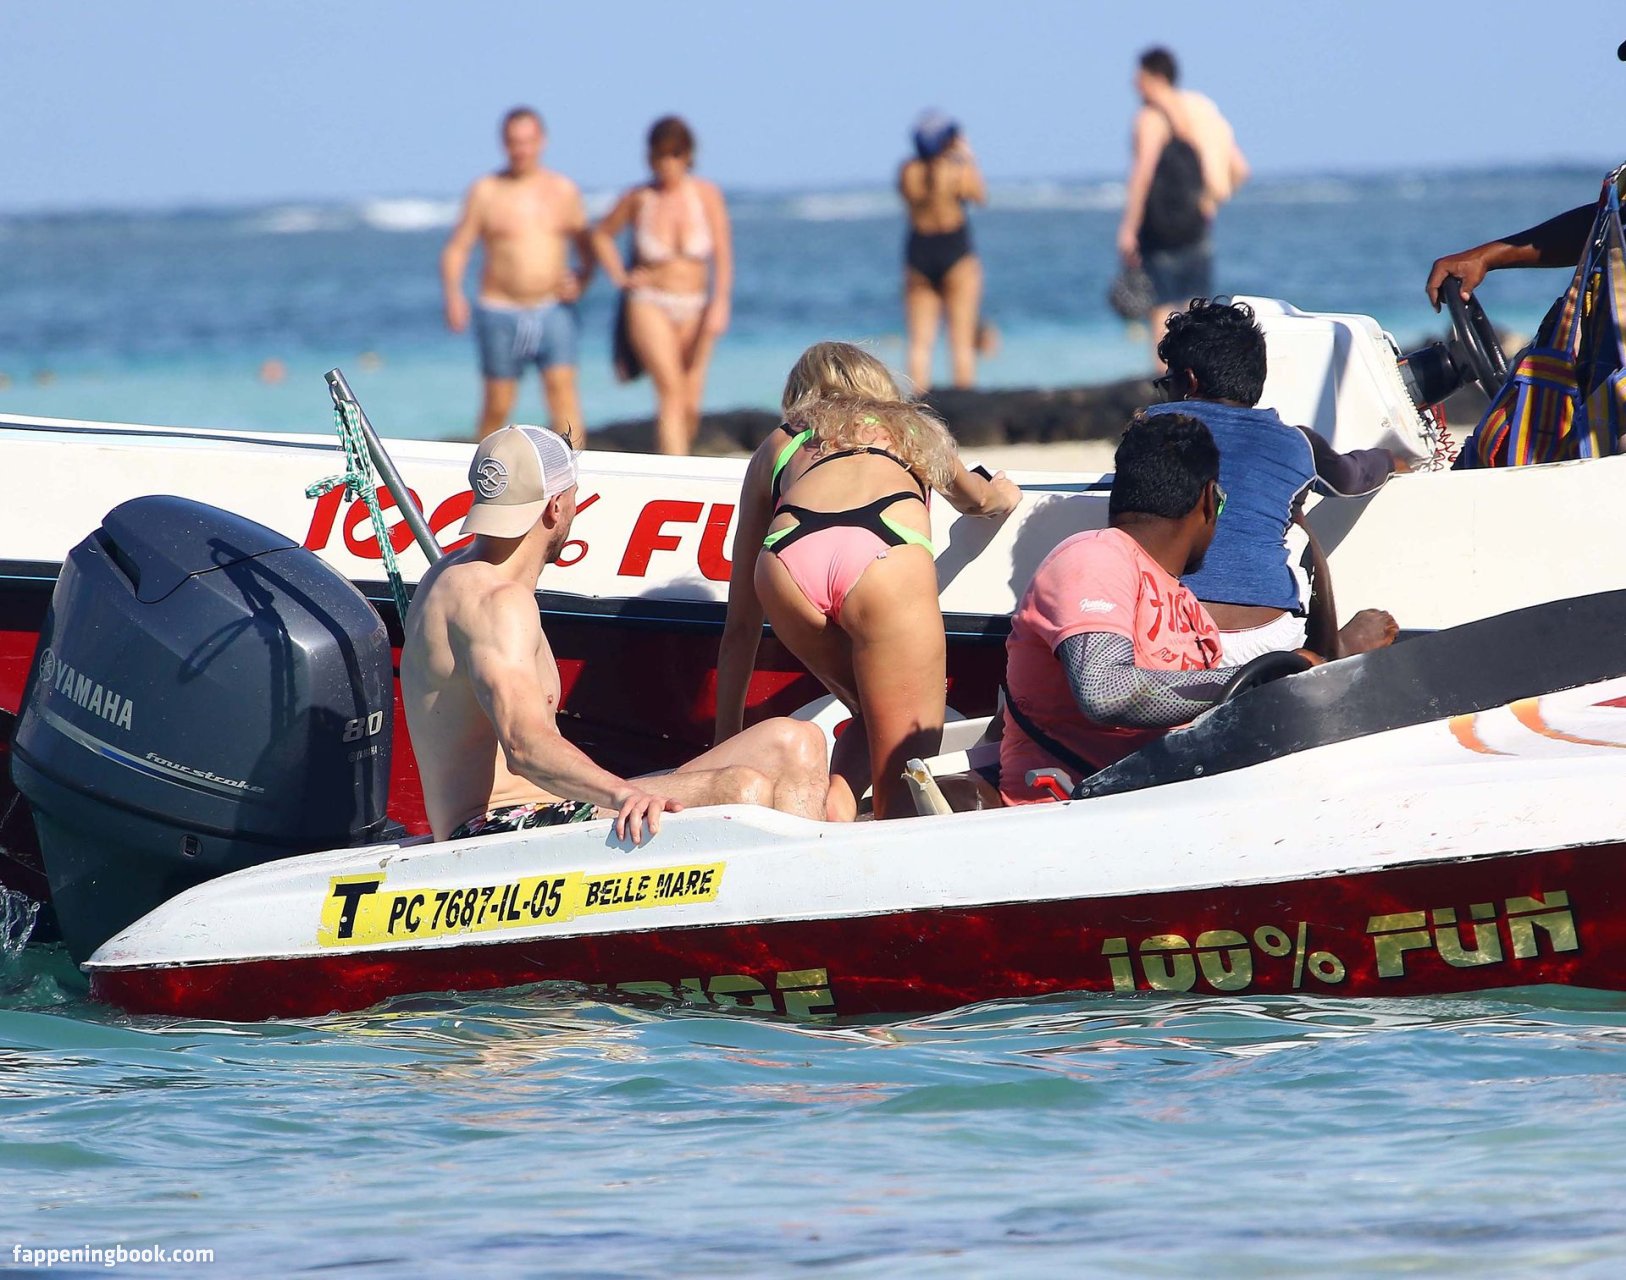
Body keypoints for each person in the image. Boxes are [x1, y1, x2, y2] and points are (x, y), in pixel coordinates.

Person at [401, 425, 829, 844]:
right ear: (556, 507)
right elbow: (524, 746)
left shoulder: (454, 574)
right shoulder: (498, 602)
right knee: (742, 790)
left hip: (549, 806)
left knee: (797, 741)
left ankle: (813, 884)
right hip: (492, 829)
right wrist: (623, 794)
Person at [715, 346, 1021, 821]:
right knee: (907, 768)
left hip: (787, 562)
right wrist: (1002, 493)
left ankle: (833, 806)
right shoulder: (909, 427)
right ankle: (877, 834)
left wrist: (724, 746)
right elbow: (977, 500)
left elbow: (740, 627)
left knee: (872, 710)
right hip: (881, 550)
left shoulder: (780, 442)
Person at [1002, 413, 1290, 805]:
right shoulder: (1095, 557)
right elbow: (1104, 691)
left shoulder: (1191, 612)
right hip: (1069, 812)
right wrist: (1252, 681)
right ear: (1209, 500)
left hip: (1161, 804)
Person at [1145, 299, 1404, 664]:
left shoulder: (1149, 430)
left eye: (1166, 383)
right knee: (1296, 526)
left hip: (1166, 632)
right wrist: (1389, 459)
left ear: (1189, 381)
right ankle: (1330, 651)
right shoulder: (1295, 441)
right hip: (1267, 639)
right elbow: (1352, 479)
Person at [441, 107, 594, 447]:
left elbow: (588, 248)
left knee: (563, 398)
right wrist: (453, 295)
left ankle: (572, 474)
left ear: (542, 141)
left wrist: (582, 279)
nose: (521, 150)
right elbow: (457, 249)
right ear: (504, 144)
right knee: (498, 404)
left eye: (528, 141)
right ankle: (484, 472)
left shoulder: (563, 190)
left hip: (553, 309)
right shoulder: (486, 191)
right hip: (500, 310)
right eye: (514, 142)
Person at [590, 117, 733, 455]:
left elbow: (723, 254)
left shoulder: (706, 195)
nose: (668, 164)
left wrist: (720, 302)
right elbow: (601, 235)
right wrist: (621, 276)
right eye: (661, 155)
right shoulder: (639, 198)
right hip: (649, 302)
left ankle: (678, 460)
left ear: (688, 156)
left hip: (696, 305)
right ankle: (676, 474)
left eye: (675, 154)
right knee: (670, 391)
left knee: (690, 402)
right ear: (650, 157)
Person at [1116, 48, 1249, 361]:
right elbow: (1240, 168)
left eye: (1139, 76)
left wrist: (1129, 227)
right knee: (1198, 310)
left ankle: (1166, 383)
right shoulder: (1203, 112)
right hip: (1198, 225)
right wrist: (1210, 201)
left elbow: (1142, 175)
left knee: (1161, 309)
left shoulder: (1149, 118)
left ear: (1154, 77)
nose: (1133, 83)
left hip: (1160, 229)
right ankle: (1201, 380)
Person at [899, 111, 987, 391]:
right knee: (961, 343)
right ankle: (964, 404)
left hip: (919, 251)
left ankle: (917, 406)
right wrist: (967, 156)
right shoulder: (956, 169)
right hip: (955, 251)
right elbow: (979, 195)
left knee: (919, 344)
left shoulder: (908, 171)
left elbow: (907, 198)